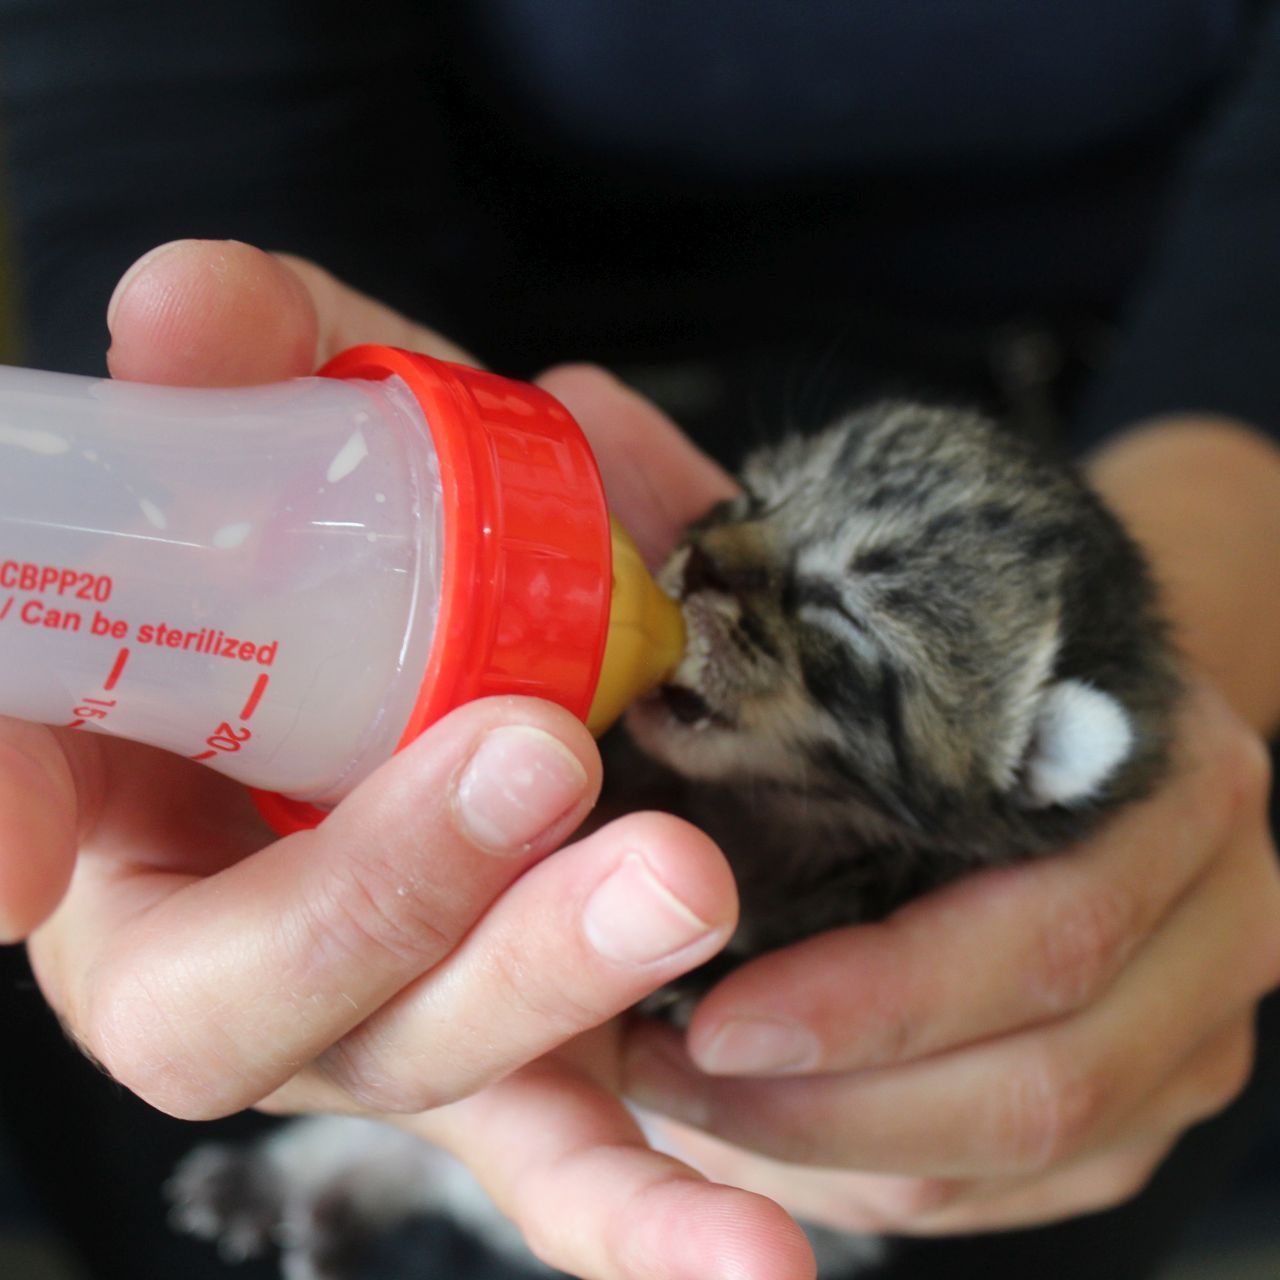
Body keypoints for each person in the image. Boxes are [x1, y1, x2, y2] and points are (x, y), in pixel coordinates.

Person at [1, 4, 1279, 1279]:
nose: (713, 565)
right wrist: (198, 518)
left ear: (1027, 767)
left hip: (1122, 414)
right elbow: (157, 107)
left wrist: (1222, 609)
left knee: (1004, 1176)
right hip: (490, 415)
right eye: (755, 507)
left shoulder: (981, 792)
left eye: (823, 628)